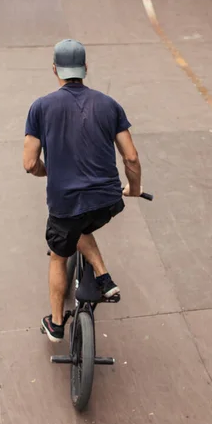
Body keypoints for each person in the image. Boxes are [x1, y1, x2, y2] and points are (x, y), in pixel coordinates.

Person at [23, 39, 142, 342]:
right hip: (107, 202)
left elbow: (29, 163)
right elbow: (130, 157)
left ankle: (56, 323)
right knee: (82, 224)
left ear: (55, 70)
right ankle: (103, 276)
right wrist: (134, 188)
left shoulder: (41, 107)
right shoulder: (109, 104)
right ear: (85, 69)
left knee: (59, 254)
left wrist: (46, 171)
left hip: (66, 205)